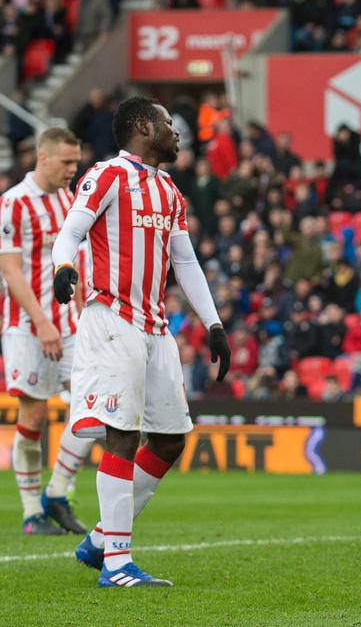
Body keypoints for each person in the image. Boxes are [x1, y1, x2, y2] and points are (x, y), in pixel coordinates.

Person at [51, 97, 233, 587]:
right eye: (170, 125)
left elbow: (186, 261)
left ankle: (97, 541)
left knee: (171, 438)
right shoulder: (107, 175)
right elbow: (69, 232)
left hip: (156, 327)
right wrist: (63, 268)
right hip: (112, 318)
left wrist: (214, 324)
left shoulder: (169, 190)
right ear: (142, 126)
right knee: (122, 434)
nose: (177, 133)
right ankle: (116, 563)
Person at [0, 128, 96, 535]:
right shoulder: (13, 203)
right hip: (25, 324)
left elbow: (78, 260)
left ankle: (57, 491)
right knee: (35, 413)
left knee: (94, 406)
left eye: (76, 162)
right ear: (43, 158)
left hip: (71, 323)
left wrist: (84, 310)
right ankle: (31, 513)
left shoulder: (70, 199)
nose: (73, 170)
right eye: (66, 162)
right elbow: (9, 270)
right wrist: (41, 321)